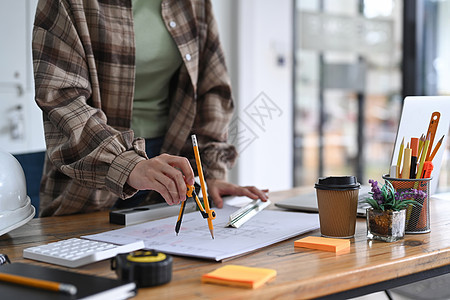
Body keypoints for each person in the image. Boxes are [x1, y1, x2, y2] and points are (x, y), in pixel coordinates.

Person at [32, 0, 268, 217]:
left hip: (172, 164)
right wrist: (128, 164)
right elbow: (62, 99)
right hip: (90, 172)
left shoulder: (195, 3)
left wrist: (210, 174)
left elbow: (212, 89)